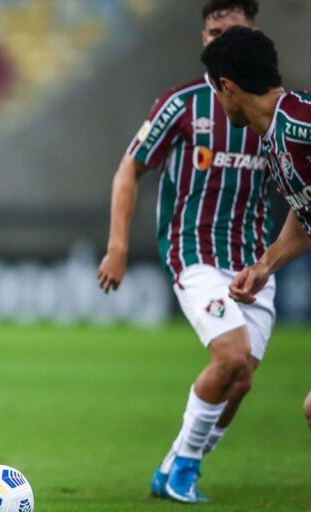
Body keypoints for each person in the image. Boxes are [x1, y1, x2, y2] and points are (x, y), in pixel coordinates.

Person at [96, 0, 275, 503]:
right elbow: (129, 168)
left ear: (251, 35)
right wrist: (117, 246)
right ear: (202, 39)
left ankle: (175, 464)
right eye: (211, 31)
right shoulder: (181, 104)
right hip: (193, 253)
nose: (218, 40)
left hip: (256, 261)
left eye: (230, 30)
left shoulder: (273, 112)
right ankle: (185, 471)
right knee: (231, 355)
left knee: (239, 381)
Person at [199, 27, 311, 432]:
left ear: (226, 86)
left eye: (213, 90)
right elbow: (306, 212)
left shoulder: (299, 122)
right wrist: (265, 265)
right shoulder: (274, 138)